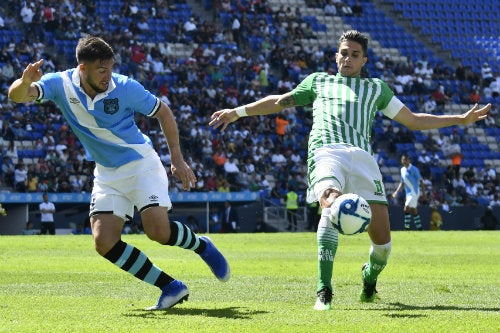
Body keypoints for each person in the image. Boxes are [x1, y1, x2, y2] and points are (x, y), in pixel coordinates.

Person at [209, 30, 490, 310]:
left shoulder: (376, 89)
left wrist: (459, 119)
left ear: (364, 60)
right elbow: (279, 101)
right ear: (336, 55)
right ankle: (324, 292)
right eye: (344, 53)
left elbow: (413, 120)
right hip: (327, 151)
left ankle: (369, 278)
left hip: (363, 159)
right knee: (330, 202)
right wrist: (238, 112)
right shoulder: (318, 82)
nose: (348, 59)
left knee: (383, 245)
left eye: (355, 55)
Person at [8, 36, 230, 310]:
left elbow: (165, 112)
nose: (107, 75)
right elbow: (16, 96)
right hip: (107, 173)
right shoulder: (60, 84)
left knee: (158, 232)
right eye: (102, 70)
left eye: (110, 68)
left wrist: (178, 160)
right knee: (104, 242)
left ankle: (201, 246)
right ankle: (170, 287)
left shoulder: (125, 87)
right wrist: (25, 81)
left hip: (141, 165)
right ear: (82, 68)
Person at [392, 153, 426, 231]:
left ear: (409, 160)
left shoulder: (414, 169)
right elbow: (402, 182)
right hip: (408, 193)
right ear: (401, 160)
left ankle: (407, 229)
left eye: (406, 159)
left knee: (406, 208)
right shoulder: (402, 170)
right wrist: (396, 192)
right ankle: (420, 229)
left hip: (414, 192)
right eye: (403, 159)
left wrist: (424, 193)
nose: (404, 161)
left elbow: (421, 181)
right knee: (414, 210)